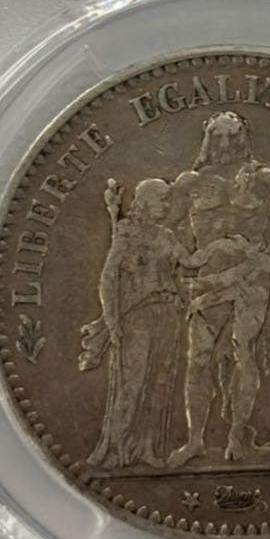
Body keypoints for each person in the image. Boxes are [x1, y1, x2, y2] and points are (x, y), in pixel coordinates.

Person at [81, 178, 236, 469]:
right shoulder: (126, 233)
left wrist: (218, 245)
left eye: (167, 200)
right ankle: (116, 450)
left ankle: (147, 449)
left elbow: (190, 262)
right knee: (133, 382)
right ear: (145, 201)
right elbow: (108, 277)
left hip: (168, 315)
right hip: (138, 316)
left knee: (160, 383)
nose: (166, 205)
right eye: (162, 199)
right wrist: (112, 320)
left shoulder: (166, 236)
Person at [166, 111, 270, 465]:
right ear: (207, 137)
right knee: (198, 357)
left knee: (243, 352)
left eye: (233, 136)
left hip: (251, 280)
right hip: (206, 280)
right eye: (218, 136)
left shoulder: (264, 178)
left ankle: (237, 437)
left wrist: (269, 260)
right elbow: (168, 228)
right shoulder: (190, 182)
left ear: (244, 137)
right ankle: (195, 440)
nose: (225, 144)